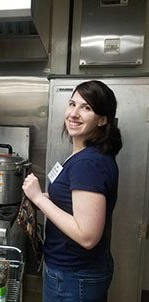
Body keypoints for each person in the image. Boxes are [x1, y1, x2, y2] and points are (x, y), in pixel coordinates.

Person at [22, 80, 122, 302]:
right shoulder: (84, 154)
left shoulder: (87, 163)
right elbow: (75, 202)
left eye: (86, 108)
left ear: (102, 119)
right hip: (78, 270)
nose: (74, 114)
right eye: (72, 104)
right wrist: (47, 198)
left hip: (73, 277)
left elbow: (87, 236)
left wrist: (38, 198)